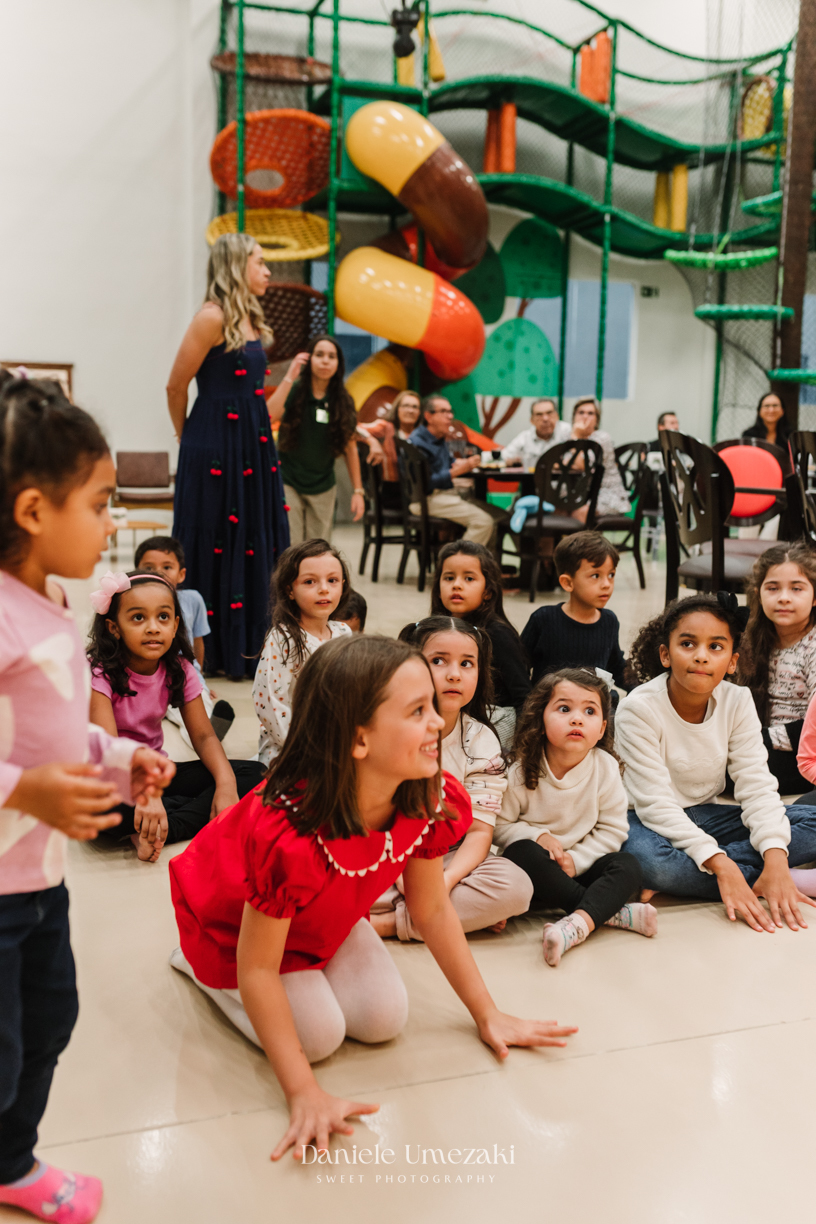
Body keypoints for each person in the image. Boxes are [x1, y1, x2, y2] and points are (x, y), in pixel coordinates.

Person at [169, 634, 577, 1161]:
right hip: (234, 928)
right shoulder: (289, 834)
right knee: (315, 1039)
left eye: (432, 705)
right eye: (417, 711)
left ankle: (325, 943)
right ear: (358, 740)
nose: (437, 722)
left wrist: (488, 1013)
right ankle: (191, 957)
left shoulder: (426, 790)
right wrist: (302, 1093)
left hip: (323, 913)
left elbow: (431, 908)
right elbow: (258, 969)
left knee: (383, 1018)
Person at [0, 379, 174, 1224]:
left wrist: (120, 758)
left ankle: (10, 1160)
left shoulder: (57, 606)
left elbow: (62, 733)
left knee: (49, 1018)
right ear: (35, 510)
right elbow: (24, 764)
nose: (113, 523)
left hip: (38, 877)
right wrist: (23, 789)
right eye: (102, 504)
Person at [617, 593, 816, 931]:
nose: (701, 657)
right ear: (666, 654)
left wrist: (775, 856)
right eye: (688, 644)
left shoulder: (737, 700)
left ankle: (764, 874)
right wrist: (723, 865)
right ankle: (765, 879)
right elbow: (654, 805)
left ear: (732, 661)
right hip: (644, 821)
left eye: (716, 647)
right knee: (652, 863)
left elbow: (756, 785)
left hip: (705, 815)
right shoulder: (639, 708)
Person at [167, 233, 290, 680]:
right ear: (236, 266)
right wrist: (188, 438)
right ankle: (209, 650)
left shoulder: (250, 320)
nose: (267, 270)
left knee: (256, 534)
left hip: (253, 447)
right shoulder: (211, 318)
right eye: (260, 261)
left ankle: (252, 646)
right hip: (215, 444)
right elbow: (175, 385)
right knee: (214, 531)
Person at [371, 618, 532, 939]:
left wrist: (442, 883)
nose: (454, 674)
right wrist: (410, 884)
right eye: (438, 661)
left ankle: (386, 924)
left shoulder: (481, 739)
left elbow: (479, 832)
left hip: (446, 858)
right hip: (383, 852)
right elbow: (373, 820)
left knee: (515, 888)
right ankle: (438, 918)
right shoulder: (387, 725)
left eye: (467, 663)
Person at [88, 571, 264, 861]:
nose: (153, 628)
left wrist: (226, 784)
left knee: (256, 775)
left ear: (176, 625)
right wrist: (148, 795)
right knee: (101, 811)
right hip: (111, 778)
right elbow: (109, 750)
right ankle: (172, 815)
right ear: (114, 627)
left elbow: (205, 736)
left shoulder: (179, 668)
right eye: (137, 618)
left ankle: (157, 828)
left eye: (163, 617)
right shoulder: (100, 672)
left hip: (159, 773)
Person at [495, 669, 653, 967]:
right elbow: (499, 826)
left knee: (628, 864)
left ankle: (576, 924)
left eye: (590, 711)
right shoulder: (521, 770)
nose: (577, 719)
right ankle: (606, 912)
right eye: (564, 709)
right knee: (521, 851)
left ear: (603, 727)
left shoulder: (604, 767)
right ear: (541, 720)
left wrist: (577, 860)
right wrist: (537, 836)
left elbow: (613, 829)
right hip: (537, 876)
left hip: (581, 867)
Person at [252, 540, 352, 766]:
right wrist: (300, 749)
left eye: (332, 580)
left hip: (338, 746)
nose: (324, 588)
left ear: (343, 586)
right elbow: (268, 702)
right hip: (291, 750)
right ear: (290, 590)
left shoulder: (344, 632)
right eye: (310, 581)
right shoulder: (283, 638)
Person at [266, 335, 372, 545]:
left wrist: (358, 492)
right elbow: (268, 416)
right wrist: (290, 375)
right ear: (309, 359)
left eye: (331, 356)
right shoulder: (295, 391)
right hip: (288, 481)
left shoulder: (343, 400)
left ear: (338, 364)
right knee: (291, 546)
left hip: (323, 485)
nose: (325, 361)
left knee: (317, 547)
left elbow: (350, 446)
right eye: (319, 355)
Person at [134, 535, 234, 742]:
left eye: (167, 567)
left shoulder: (193, 600)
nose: (158, 573)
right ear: (137, 572)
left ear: (181, 574)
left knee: (196, 712)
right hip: (150, 673)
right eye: (149, 568)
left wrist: (201, 679)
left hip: (184, 674)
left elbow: (197, 642)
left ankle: (209, 733)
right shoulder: (133, 600)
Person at [430, 540, 530, 745]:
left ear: (488, 591)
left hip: (494, 723)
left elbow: (524, 697)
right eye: (449, 577)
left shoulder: (498, 635)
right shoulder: (431, 632)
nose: (456, 584)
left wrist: (523, 750)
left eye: (469, 578)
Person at [739, 544, 816, 795]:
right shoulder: (754, 637)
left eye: (796, 588)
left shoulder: (812, 646)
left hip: (802, 756)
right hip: (762, 743)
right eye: (773, 588)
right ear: (757, 593)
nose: (784, 597)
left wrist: (760, 739)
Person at [521, 533, 628, 690]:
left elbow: (617, 668)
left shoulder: (609, 621)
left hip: (593, 708)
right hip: (550, 706)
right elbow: (519, 667)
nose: (606, 584)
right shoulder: (543, 619)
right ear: (567, 583)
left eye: (611, 575)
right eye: (596, 575)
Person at [407, 395, 508, 547]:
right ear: (429, 416)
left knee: (501, 516)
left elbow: (446, 462)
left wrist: (462, 463)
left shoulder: (438, 437)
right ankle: (457, 566)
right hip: (425, 499)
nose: (450, 416)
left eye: (450, 411)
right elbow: (425, 483)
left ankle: (487, 567)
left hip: (445, 495)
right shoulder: (417, 443)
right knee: (483, 522)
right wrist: (458, 470)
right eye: (443, 412)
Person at [569, 397, 629, 522]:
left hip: (608, 494)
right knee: (557, 510)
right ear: (574, 417)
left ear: (597, 419)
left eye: (591, 413)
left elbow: (581, 466)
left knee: (580, 512)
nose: (585, 416)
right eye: (581, 412)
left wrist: (575, 438)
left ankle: (585, 542)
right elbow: (561, 463)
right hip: (583, 495)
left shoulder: (601, 438)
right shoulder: (568, 437)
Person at [357, 389, 422, 484]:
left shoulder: (422, 433)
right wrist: (371, 441)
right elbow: (356, 429)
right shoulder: (386, 427)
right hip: (390, 488)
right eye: (405, 406)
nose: (410, 410)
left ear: (420, 412)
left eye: (415, 407)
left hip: (417, 488)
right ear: (397, 408)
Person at [501, 398, 572, 470]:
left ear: (557, 416)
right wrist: (511, 461)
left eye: (549, 413)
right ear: (531, 420)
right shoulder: (525, 438)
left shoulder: (568, 432)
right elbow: (503, 457)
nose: (545, 418)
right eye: (539, 414)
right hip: (533, 480)